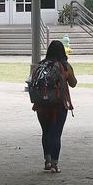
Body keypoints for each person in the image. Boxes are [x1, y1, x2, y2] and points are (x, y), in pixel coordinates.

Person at [33, 40, 76, 174]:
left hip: (41, 105)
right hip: (59, 104)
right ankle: (54, 164)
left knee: (46, 132)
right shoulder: (65, 66)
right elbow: (73, 83)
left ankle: (47, 161)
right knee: (56, 134)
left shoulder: (40, 66)